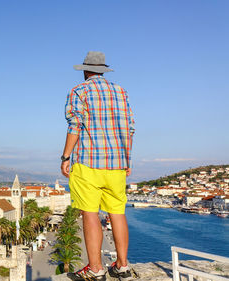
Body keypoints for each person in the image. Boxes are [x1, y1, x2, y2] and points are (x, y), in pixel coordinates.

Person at [61, 51, 135, 281]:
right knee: (117, 213)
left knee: (90, 214)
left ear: (85, 70)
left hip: (89, 162)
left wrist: (65, 157)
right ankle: (122, 266)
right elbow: (129, 129)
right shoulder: (121, 92)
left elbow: (75, 126)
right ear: (103, 70)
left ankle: (96, 269)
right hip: (117, 165)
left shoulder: (79, 91)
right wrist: (126, 160)